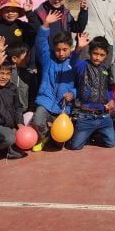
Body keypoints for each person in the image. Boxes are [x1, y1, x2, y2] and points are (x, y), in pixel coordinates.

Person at [31, 11, 86, 151]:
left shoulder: (74, 63)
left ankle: (53, 137)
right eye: (57, 50)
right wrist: (46, 24)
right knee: (37, 121)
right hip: (46, 101)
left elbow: (78, 85)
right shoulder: (47, 59)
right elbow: (40, 43)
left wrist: (72, 94)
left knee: (59, 144)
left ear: (70, 49)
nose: (61, 53)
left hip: (63, 106)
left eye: (65, 50)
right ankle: (45, 136)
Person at [70, 36, 115, 150]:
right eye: (95, 53)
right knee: (75, 146)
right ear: (90, 52)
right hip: (85, 116)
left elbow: (108, 89)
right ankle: (87, 132)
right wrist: (78, 48)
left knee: (111, 142)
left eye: (102, 55)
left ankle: (95, 134)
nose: (98, 57)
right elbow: (73, 63)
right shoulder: (83, 66)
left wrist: (111, 99)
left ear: (106, 55)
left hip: (103, 116)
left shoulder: (105, 69)